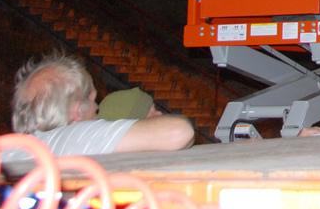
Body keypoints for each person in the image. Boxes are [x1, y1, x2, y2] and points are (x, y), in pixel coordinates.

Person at [11, 53, 193, 156]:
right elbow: (178, 132)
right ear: (76, 113)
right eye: (92, 101)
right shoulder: (73, 137)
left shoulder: (10, 150)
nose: (97, 109)